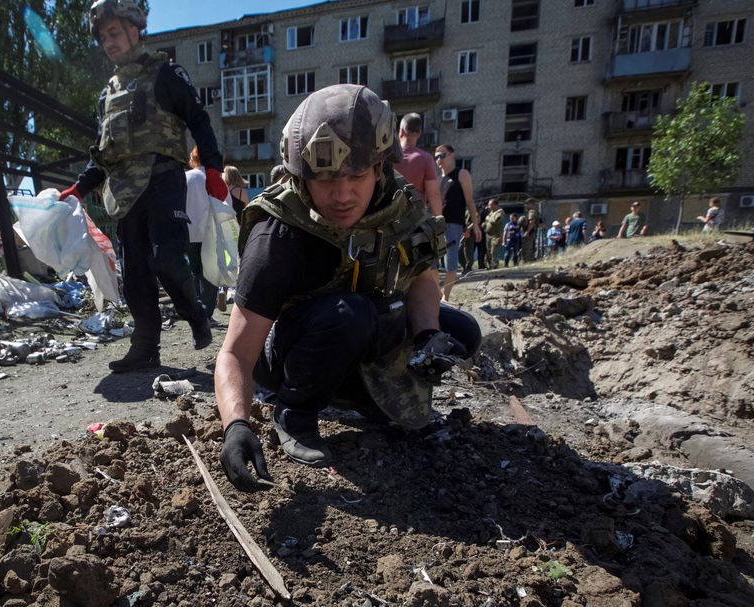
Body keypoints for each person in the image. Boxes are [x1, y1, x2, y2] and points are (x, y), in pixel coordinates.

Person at [215, 85, 481, 490]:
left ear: (379, 167)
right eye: (325, 180)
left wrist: (428, 336)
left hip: (361, 329)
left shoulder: (398, 204)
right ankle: (295, 412)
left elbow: (421, 280)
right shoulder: (278, 232)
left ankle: (364, 398)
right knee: (348, 315)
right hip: (291, 350)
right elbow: (235, 351)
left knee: (461, 332)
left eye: (356, 176)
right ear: (301, 176)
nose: (342, 195)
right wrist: (236, 424)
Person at [59, 0, 223, 373]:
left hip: (164, 179)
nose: (109, 43)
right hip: (123, 191)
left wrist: (213, 168)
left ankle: (195, 313)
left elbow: (197, 119)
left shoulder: (166, 75)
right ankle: (145, 346)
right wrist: (80, 188)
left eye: (114, 33)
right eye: (103, 38)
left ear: (135, 30)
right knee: (134, 275)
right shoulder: (107, 94)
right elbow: (102, 153)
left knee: (167, 258)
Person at [436, 144, 481, 301]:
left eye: (442, 155)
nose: (438, 159)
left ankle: (445, 298)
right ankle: (437, 295)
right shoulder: (437, 179)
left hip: (453, 225)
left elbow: (470, 201)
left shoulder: (462, 174)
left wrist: (474, 224)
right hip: (436, 226)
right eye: (436, 156)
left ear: (452, 155)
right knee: (432, 265)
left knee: (451, 263)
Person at [185, 147, 219, 322]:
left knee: (193, 271)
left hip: (189, 231)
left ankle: (195, 311)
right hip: (210, 231)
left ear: (193, 158)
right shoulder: (213, 177)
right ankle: (207, 313)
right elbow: (225, 205)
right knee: (210, 273)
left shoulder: (186, 177)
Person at [394, 113, 443, 216]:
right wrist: (439, 224)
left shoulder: (386, 158)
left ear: (401, 132)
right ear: (419, 133)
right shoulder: (425, 158)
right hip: (414, 220)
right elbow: (433, 194)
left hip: (388, 220)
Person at [482, 199, 506, 269]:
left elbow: (496, 221)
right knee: (488, 251)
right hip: (488, 235)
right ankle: (489, 265)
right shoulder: (491, 212)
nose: (489, 206)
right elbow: (487, 222)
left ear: (495, 205)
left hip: (496, 235)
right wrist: (484, 225)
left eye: (490, 205)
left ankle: (495, 265)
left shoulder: (500, 212)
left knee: (493, 251)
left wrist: (488, 218)